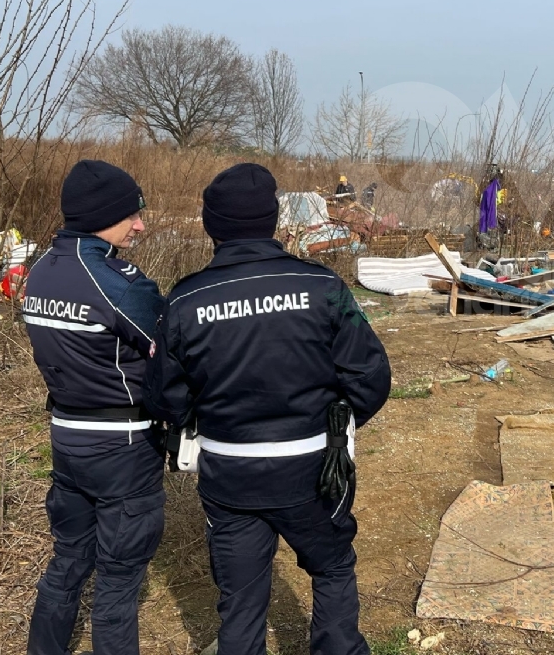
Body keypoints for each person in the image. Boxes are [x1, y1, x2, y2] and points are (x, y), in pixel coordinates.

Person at [144, 163, 391, 655]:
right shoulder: (322, 288)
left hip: (230, 474)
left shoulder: (186, 300)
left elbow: (164, 396)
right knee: (333, 567)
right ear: (273, 220)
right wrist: (336, 426)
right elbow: (370, 376)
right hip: (313, 471)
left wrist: (207, 420)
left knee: (240, 598)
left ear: (212, 226)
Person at [24, 160, 166, 655]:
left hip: (67, 439)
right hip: (123, 447)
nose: (140, 224)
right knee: (118, 581)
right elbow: (172, 358)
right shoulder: (116, 281)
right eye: (132, 213)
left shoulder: (41, 271)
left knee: (67, 562)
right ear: (103, 216)